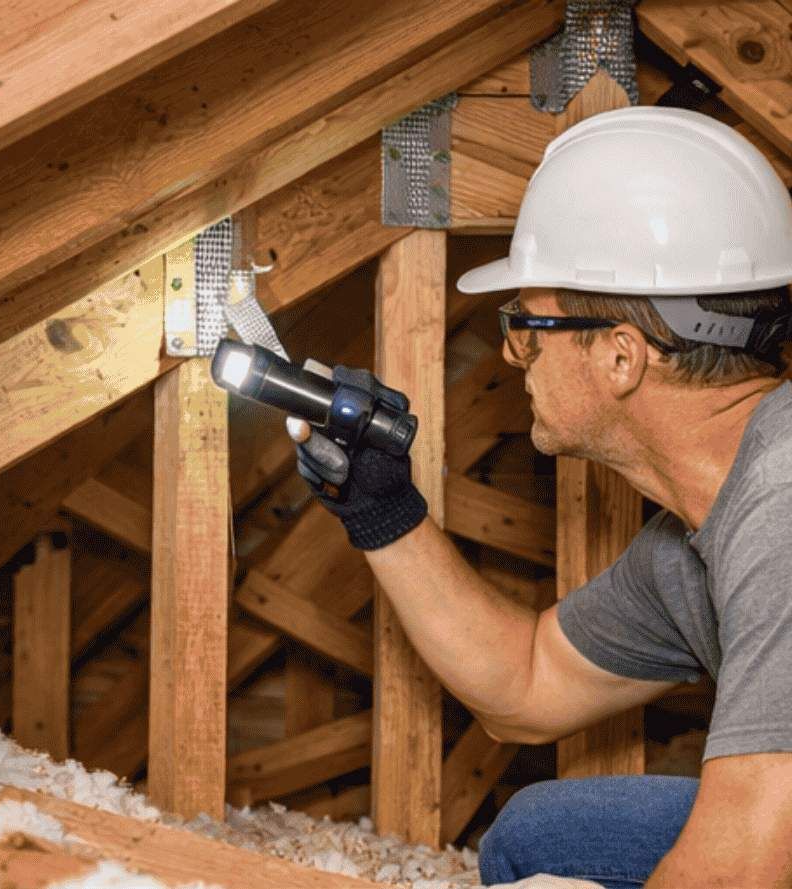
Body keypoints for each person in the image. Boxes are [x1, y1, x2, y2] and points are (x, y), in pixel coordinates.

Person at [290, 105, 792, 889]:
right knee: (545, 838)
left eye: (529, 324)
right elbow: (527, 682)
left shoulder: (783, 508)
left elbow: (743, 875)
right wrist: (381, 509)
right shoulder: (696, 535)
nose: (513, 351)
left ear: (621, 356)